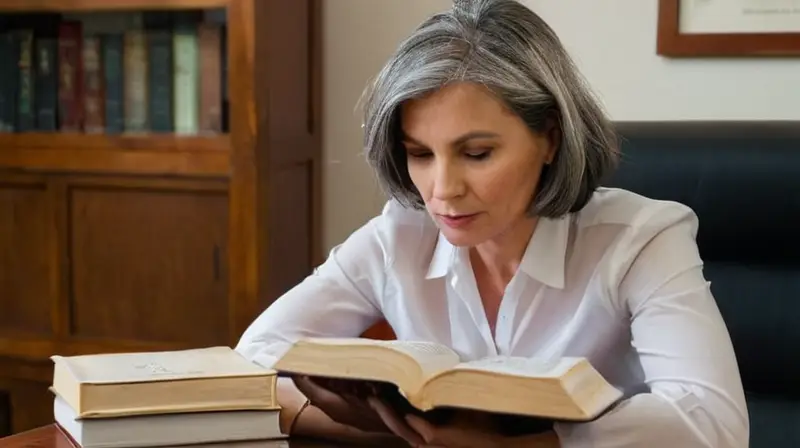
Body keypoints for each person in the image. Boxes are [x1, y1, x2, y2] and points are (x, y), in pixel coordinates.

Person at [235, 0, 749, 446]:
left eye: (477, 153)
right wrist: (380, 429)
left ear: (550, 137)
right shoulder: (398, 238)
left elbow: (714, 424)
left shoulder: (640, 238)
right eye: (419, 154)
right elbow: (253, 358)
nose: (442, 189)